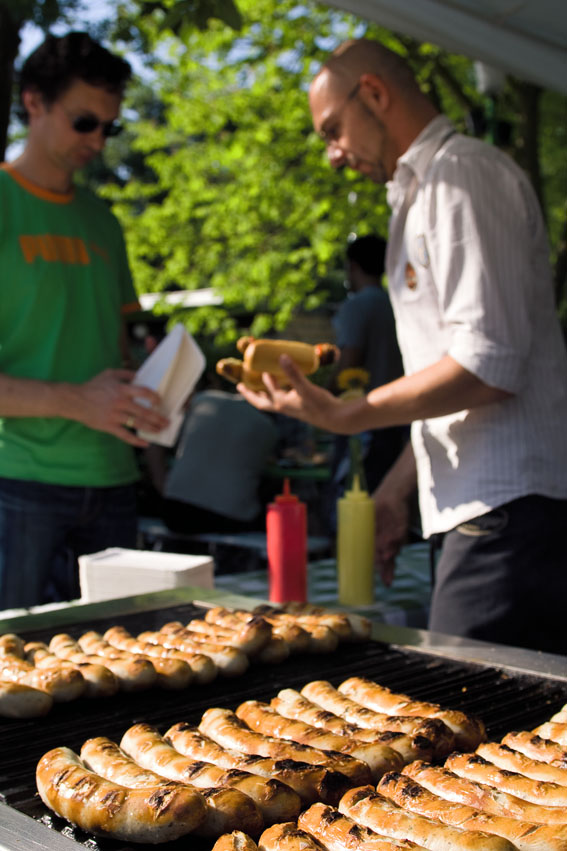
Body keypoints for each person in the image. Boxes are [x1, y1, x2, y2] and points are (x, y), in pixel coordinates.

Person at [238, 38, 567, 655]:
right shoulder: (426, 190)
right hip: (490, 513)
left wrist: (345, 415)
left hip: (507, 516)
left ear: (375, 94)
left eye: (332, 131)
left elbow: (488, 364)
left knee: (468, 730)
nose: (333, 156)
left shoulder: (462, 175)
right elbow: (465, 377)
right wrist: (397, 485)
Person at [0, 32, 168, 609]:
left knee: (120, 671)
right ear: (34, 103)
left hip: (114, 483)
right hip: (17, 484)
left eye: (109, 127)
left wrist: (163, 392)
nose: (97, 140)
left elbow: (117, 356)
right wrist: (77, 400)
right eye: (83, 122)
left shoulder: (103, 222)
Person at [329, 234, 407, 495]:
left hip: (363, 420)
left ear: (353, 266)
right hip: (399, 414)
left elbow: (349, 363)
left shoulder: (357, 306)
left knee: (353, 496)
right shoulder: (395, 304)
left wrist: (322, 399)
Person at [152, 389, 278, 536]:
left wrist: (162, 483)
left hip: (174, 514)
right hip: (229, 517)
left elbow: (157, 443)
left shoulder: (202, 400)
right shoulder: (268, 427)